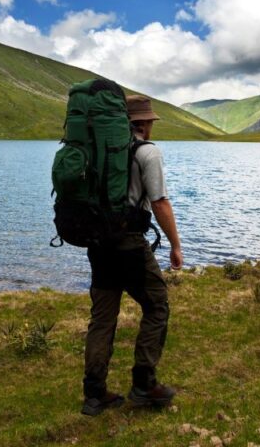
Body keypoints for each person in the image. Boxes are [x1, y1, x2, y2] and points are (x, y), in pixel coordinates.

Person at [81, 95, 184, 416]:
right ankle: (144, 384)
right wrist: (176, 245)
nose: (152, 126)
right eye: (151, 121)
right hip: (129, 244)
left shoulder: (97, 150)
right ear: (144, 123)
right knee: (157, 305)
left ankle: (95, 395)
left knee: (102, 318)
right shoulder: (147, 152)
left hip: (98, 243)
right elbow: (160, 203)